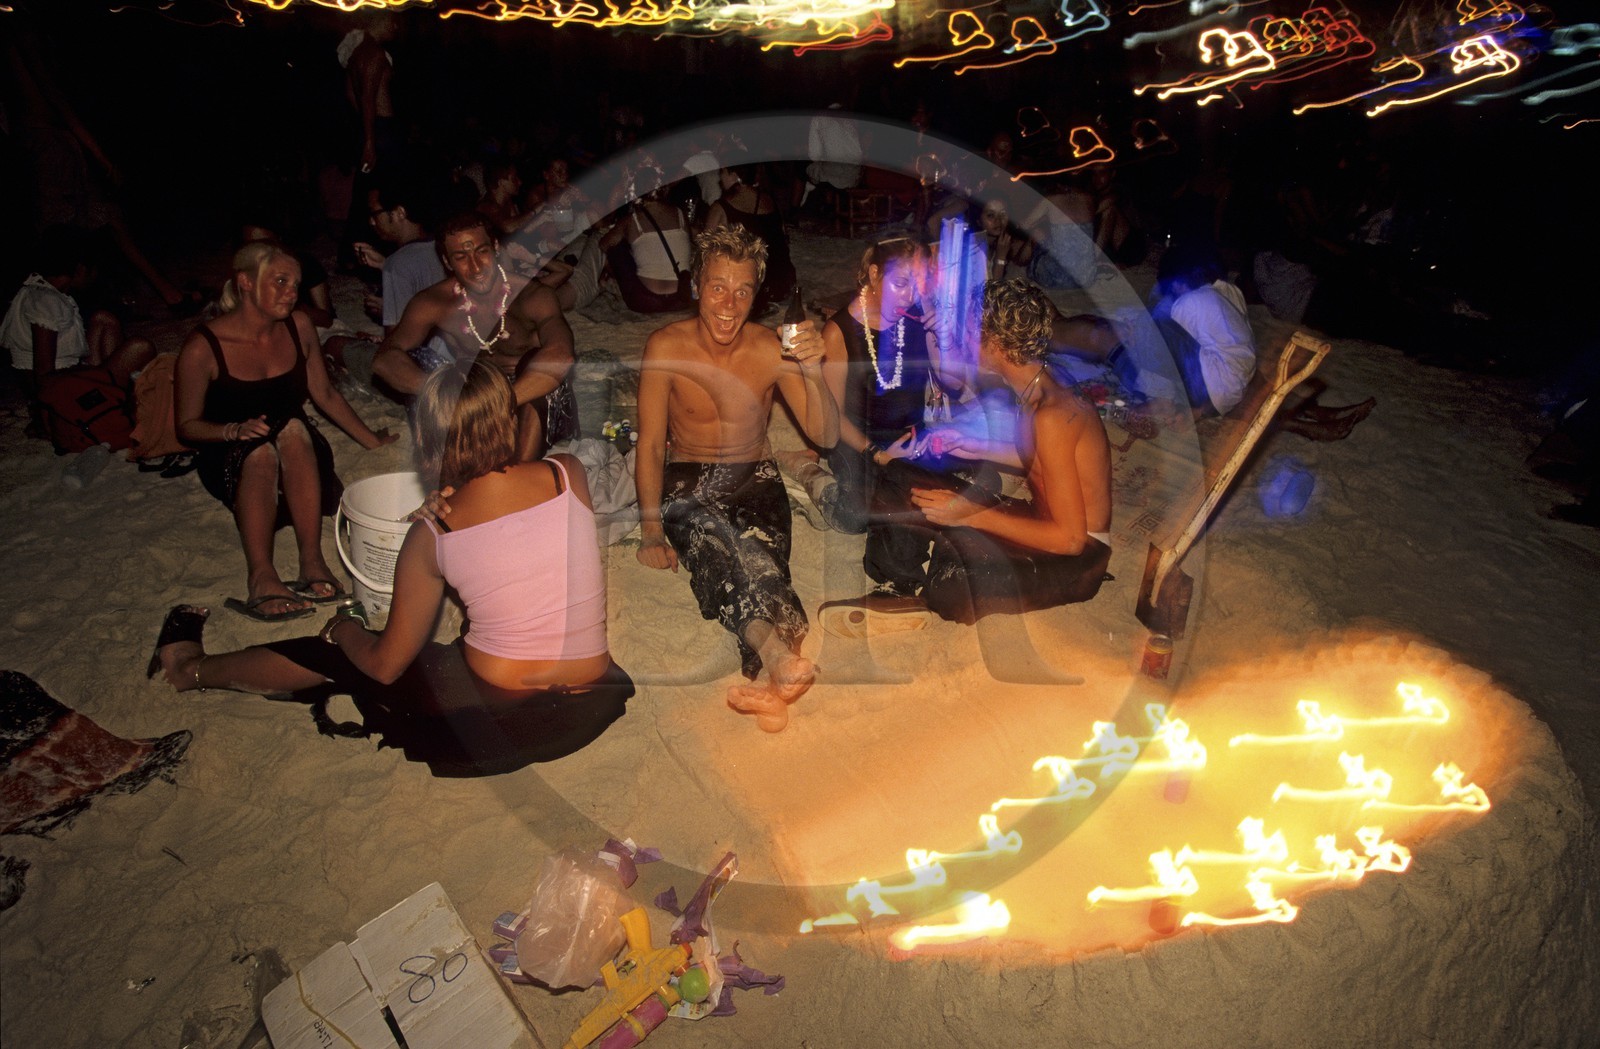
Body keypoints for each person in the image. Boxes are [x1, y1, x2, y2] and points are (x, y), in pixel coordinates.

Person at [149, 360, 633, 776]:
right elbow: (513, 527)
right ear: (509, 420)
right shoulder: (567, 472)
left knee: (347, 655)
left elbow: (386, 667)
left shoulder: (432, 536)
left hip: (507, 719)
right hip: (594, 699)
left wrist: (341, 631)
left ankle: (189, 671)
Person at [634, 225, 839, 731]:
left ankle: (775, 679)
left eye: (743, 290)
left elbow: (825, 434)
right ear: (697, 286)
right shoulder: (665, 346)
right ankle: (778, 663)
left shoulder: (771, 348)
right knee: (716, 553)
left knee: (765, 564)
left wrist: (813, 370)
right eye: (718, 287)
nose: (729, 304)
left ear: (756, 294)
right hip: (688, 478)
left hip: (755, 472)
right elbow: (648, 445)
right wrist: (651, 530)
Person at [833, 279, 1113, 626]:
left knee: (954, 584)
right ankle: (899, 585)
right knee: (902, 471)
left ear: (994, 342)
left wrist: (970, 515)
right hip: (1041, 522)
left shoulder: (1053, 413)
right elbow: (1047, 461)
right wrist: (976, 446)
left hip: (1078, 557)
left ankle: (928, 576)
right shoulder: (1037, 382)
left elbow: (1070, 540)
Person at [174, 242, 395, 622]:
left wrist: (373, 440)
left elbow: (323, 393)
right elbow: (187, 426)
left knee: (294, 427)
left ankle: (312, 562)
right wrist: (231, 430)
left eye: (295, 284)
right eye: (279, 281)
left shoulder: (299, 326)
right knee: (261, 452)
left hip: (297, 448)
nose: (291, 292)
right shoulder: (203, 347)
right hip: (228, 449)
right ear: (245, 282)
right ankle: (261, 576)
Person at [779, 236, 967, 573]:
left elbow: (954, 384)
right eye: (900, 283)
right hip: (858, 440)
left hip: (913, 435)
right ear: (874, 274)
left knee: (979, 480)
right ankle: (807, 470)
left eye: (918, 285)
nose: (909, 295)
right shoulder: (839, 332)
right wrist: (877, 454)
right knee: (855, 517)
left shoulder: (920, 315)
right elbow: (833, 415)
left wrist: (946, 339)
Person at [373, 214, 579, 460]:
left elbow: (562, 356)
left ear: (494, 248)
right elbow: (385, 358)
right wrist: (440, 392)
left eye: (481, 251)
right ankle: (450, 461)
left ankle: (520, 473)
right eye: (461, 257)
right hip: (474, 398)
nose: (475, 266)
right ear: (447, 262)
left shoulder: (531, 295)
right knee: (420, 360)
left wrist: (495, 405)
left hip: (532, 400)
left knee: (536, 361)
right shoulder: (435, 302)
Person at [2, 227, 156, 438]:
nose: (95, 276)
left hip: (67, 377)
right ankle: (116, 400)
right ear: (80, 269)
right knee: (140, 347)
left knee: (104, 320)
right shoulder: (46, 302)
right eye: (93, 270)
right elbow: (44, 374)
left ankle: (115, 396)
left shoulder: (39, 290)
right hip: (62, 391)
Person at [1150, 243, 1257, 417]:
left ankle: (1161, 402)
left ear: (1177, 283)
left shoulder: (1188, 302)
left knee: (1156, 327)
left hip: (1212, 392)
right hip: (1237, 388)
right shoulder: (1230, 290)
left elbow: (1167, 349)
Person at [599, 164, 695, 315]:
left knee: (617, 248)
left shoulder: (632, 219)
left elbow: (604, 244)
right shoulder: (680, 213)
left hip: (646, 301)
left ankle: (610, 284)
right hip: (680, 298)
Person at [703, 164, 796, 314]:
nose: (720, 178)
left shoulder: (721, 207)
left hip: (753, 288)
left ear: (734, 175)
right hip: (782, 283)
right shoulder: (769, 200)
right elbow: (783, 239)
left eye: (722, 172)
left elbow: (705, 250)